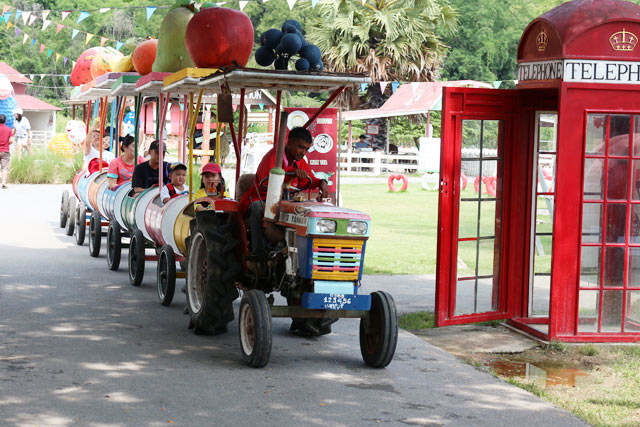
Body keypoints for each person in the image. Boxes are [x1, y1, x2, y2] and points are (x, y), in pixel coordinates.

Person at [238, 127, 329, 254]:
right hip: (261, 198)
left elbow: (309, 179)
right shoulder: (273, 158)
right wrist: (290, 173)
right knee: (258, 207)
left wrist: (321, 182)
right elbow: (268, 182)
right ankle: (258, 255)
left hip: (285, 202)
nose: (303, 152)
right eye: (301, 147)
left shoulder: (299, 162)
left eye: (307, 149)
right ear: (290, 143)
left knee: (305, 212)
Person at [0, 114, 13, 189]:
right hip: (5, 151)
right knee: (4, 167)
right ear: (5, 121)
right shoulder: (8, 129)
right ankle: (3, 182)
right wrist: (7, 143)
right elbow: (12, 140)